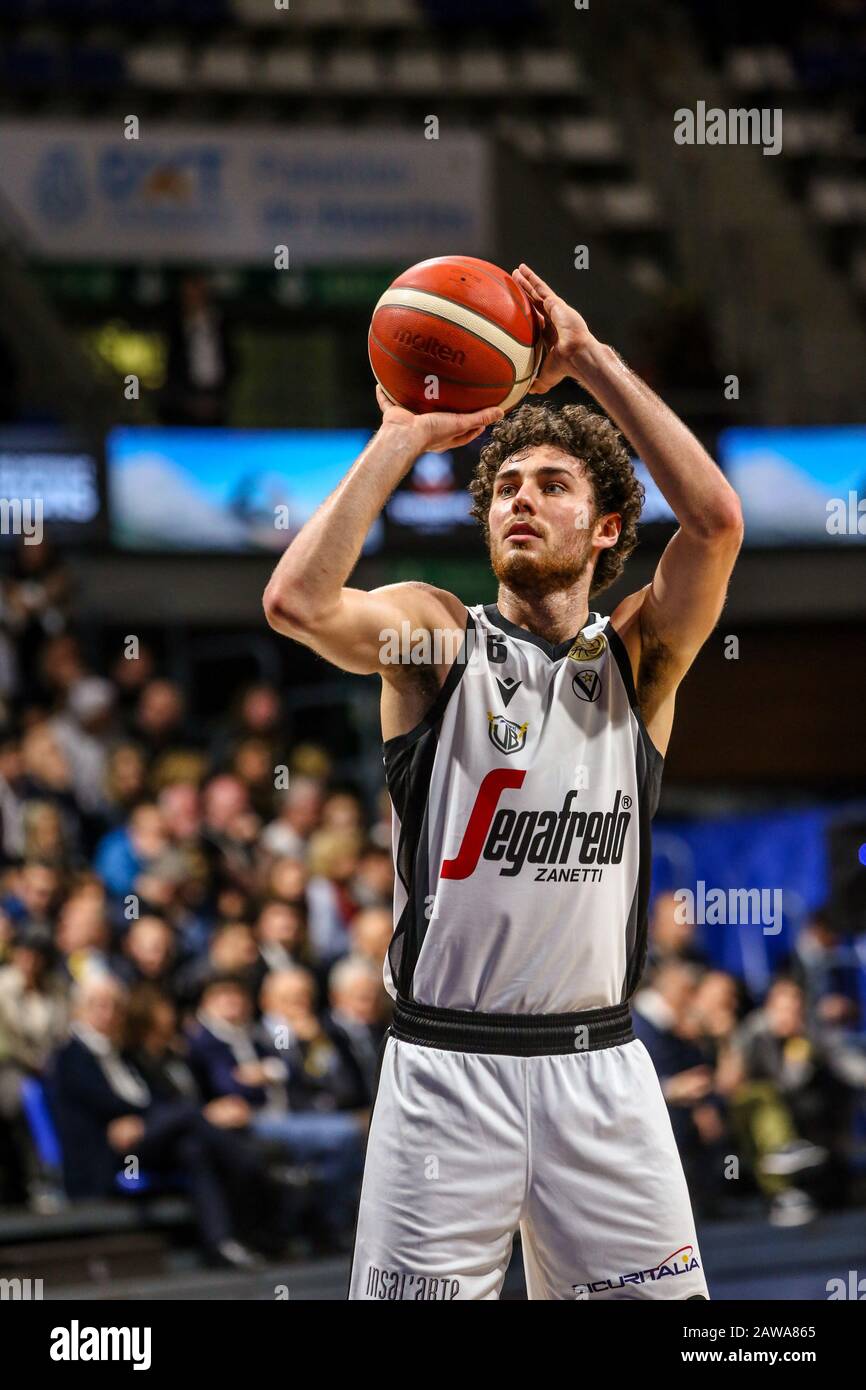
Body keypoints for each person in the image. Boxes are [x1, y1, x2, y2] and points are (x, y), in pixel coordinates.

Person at [264, 262, 744, 1300]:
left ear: (606, 526)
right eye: (507, 488)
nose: (521, 499)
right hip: (442, 1073)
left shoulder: (636, 657)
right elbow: (297, 603)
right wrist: (397, 435)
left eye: (552, 486)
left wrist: (585, 361)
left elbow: (712, 522)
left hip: (599, 1071)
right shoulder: (434, 637)